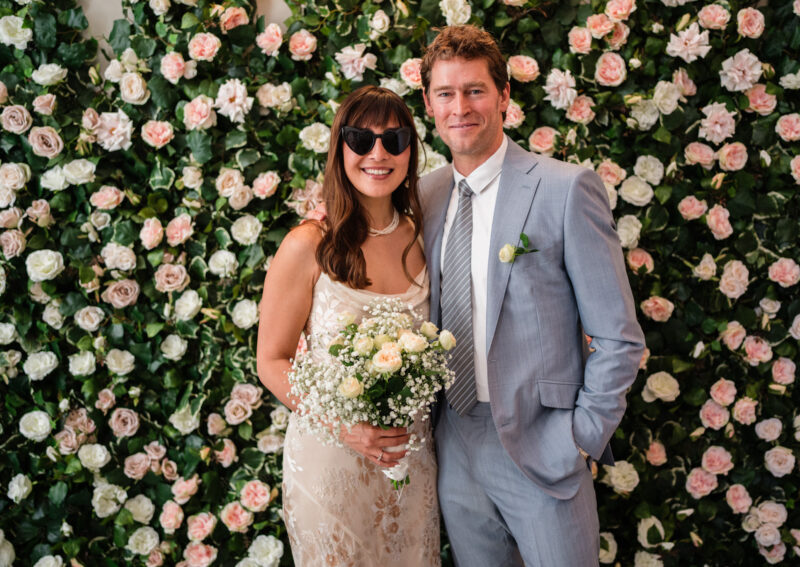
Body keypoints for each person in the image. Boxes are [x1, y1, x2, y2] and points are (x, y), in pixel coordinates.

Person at [419, 25, 645, 567]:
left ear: (504, 96)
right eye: (446, 94)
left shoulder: (566, 188)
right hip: (454, 439)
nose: (460, 107)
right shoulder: (423, 194)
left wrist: (578, 438)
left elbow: (618, 336)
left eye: (475, 90)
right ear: (428, 103)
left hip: (543, 443)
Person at [256, 86, 440, 567]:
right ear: (340, 148)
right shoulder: (307, 244)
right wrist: (345, 427)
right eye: (361, 139)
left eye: (394, 140)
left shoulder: (426, 236)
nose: (378, 154)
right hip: (331, 460)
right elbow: (271, 361)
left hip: (410, 461)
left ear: (410, 152)